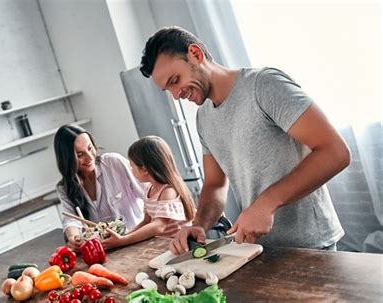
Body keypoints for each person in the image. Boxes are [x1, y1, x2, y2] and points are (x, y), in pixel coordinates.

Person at [139, 26, 351, 253]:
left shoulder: (264, 85)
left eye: (175, 80)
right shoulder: (204, 118)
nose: (176, 95)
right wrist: (199, 225)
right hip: (259, 249)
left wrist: (267, 203)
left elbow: (335, 152)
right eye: (167, 89)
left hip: (311, 245)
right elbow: (215, 184)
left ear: (196, 54)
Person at [54, 125, 144, 251]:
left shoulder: (114, 163)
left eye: (90, 148)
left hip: (136, 241)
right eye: (80, 155)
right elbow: (70, 219)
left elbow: (147, 193)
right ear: (67, 159)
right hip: (106, 251)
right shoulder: (65, 187)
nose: (90, 157)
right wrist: (73, 237)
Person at [101, 135, 196, 250]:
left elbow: (159, 226)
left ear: (145, 170)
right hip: (164, 247)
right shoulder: (148, 189)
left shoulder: (168, 192)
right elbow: (147, 221)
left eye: (132, 166)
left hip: (181, 248)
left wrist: (123, 241)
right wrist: (125, 236)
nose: (131, 170)